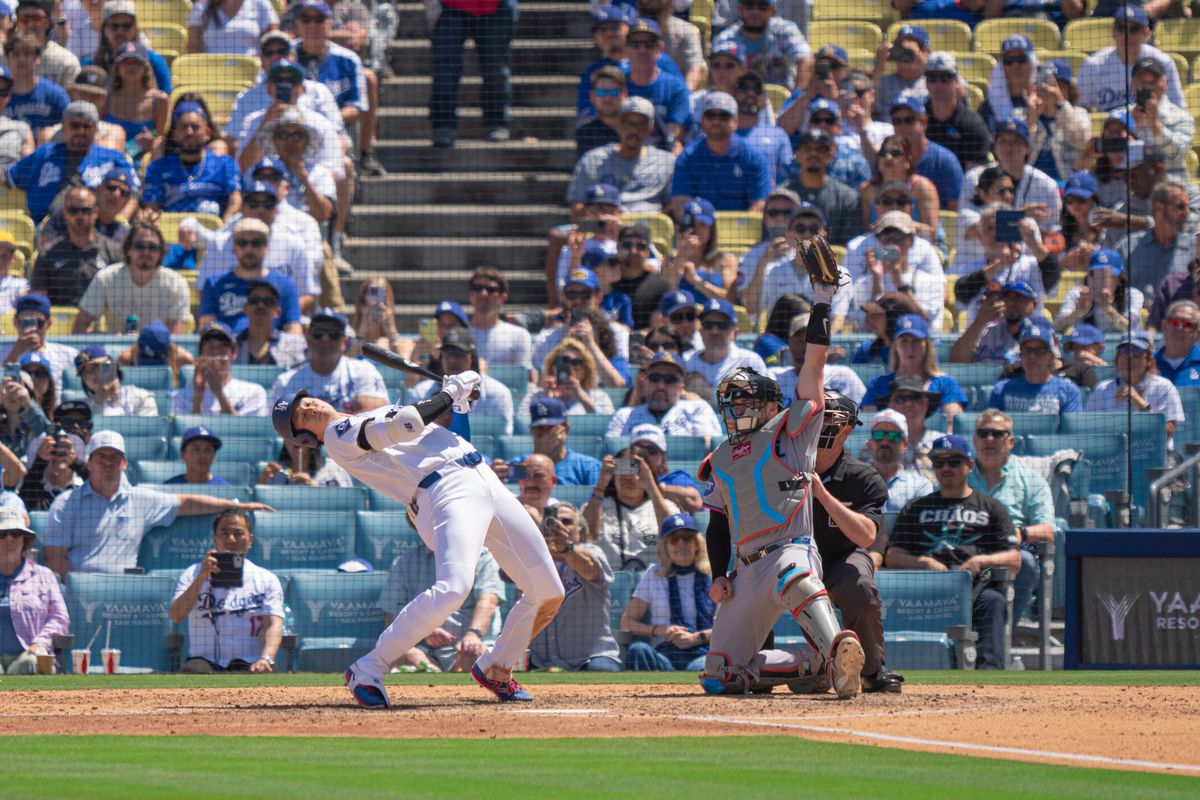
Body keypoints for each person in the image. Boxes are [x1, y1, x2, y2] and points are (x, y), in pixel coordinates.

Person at [272, 373, 565, 707]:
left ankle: (496, 668)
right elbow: (408, 423)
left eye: (305, 401)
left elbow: (456, 443)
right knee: (454, 587)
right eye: (299, 415)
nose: (307, 406)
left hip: (482, 478)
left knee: (548, 591)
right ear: (305, 439)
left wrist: (460, 406)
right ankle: (368, 668)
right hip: (443, 491)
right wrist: (449, 390)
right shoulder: (340, 434)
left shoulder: (372, 413)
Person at [697, 237, 865, 698]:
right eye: (732, 403)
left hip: (791, 550)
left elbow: (814, 363)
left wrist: (823, 301)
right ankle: (811, 665)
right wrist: (718, 574)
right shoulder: (721, 457)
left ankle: (836, 651)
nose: (738, 411)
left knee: (795, 574)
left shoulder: (791, 432)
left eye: (748, 401)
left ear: (772, 404)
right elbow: (715, 522)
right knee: (719, 678)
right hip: (745, 569)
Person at [43, 431, 273, 578]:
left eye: (114, 458)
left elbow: (187, 503)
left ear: (124, 464)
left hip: (125, 591)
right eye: (101, 457)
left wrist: (236, 505)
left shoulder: (140, 499)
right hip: (77, 591)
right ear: (90, 463)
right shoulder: (65, 504)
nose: (108, 463)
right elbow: (55, 559)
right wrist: (82, 590)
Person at [796, 391, 903, 691]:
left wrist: (821, 493)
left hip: (842, 556)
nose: (818, 429)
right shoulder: (782, 467)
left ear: (846, 429)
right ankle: (756, 669)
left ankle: (870, 672)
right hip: (793, 555)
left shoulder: (862, 477)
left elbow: (867, 535)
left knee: (858, 586)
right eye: (814, 422)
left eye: (828, 422)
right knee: (754, 587)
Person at [887, 434, 1021, 669]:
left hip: (975, 590)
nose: (946, 467)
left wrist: (981, 560)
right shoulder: (916, 508)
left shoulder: (991, 508)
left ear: (969, 465)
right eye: (939, 462)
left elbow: (1014, 559)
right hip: (924, 592)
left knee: (994, 601)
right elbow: (892, 556)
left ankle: (990, 678)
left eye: (954, 462)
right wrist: (924, 563)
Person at [967, 409, 1055, 628]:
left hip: (1009, 551)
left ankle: (1002, 635)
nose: (989, 439)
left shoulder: (1030, 479)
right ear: (974, 440)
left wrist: (1020, 533)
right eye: (983, 433)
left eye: (997, 434)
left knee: (1024, 561)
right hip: (965, 547)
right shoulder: (958, 474)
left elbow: (1048, 530)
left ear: (1011, 441)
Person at [169, 509, 284, 673]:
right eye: (224, 533)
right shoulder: (192, 574)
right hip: (204, 661)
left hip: (249, 662)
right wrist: (202, 576)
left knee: (266, 675)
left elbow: (273, 624)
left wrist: (266, 658)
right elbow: (176, 615)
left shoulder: (266, 579)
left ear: (250, 540)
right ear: (215, 539)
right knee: (192, 672)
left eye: (238, 533)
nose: (231, 539)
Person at [378, 524, 503, 673]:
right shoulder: (405, 562)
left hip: (473, 645)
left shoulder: (482, 556)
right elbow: (392, 616)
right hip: (424, 649)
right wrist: (424, 631)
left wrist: (473, 635)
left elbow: (488, 600)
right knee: (403, 654)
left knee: (477, 657)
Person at [528, 502, 621, 672]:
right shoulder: (535, 558)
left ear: (581, 530)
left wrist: (565, 547)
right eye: (552, 522)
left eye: (567, 522)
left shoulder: (592, 551)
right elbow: (506, 574)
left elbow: (589, 567)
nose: (559, 527)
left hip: (591, 658)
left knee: (600, 671)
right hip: (540, 661)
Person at [7, 99, 132, 223]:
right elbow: (9, 176)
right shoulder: (44, 154)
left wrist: (121, 220)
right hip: (44, 226)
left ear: (95, 128)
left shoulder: (113, 158)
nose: (81, 131)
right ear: (64, 126)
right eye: (75, 126)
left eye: (87, 126)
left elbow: (134, 193)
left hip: (95, 229)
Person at [621, 513, 713, 672]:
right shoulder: (654, 574)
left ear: (697, 543)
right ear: (666, 546)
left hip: (704, 651)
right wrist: (658, 630)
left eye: (687, 537)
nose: (681, 544)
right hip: (664, 653)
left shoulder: (714, 574)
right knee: (638, 650)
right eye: (674, 539)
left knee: (697, 668)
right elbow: (627, 622)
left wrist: (697, 638)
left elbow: (730, 625)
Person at [835, 211, 946, 333]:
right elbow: (868, 327)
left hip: (917, 345)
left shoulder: (931, 283)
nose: (893, 243)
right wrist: (877, 280)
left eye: (899, 238)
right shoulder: (863, 284)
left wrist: (898, 279)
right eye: (886, 237)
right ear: (878, 241)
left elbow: (924, 321)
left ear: (912, 240)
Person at [73, 220, 190, 333]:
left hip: (159, 351)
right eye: (139, 246)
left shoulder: (176, 284)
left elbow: (174, 339)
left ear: (161, 252)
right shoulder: (106, 278)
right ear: (128, 249)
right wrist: (111, 339)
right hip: (115, 350)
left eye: (152, 247)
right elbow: (79, 329)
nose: (146, 252)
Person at [427, 0, 516, 147]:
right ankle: (443, 126)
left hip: (496, 5)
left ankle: (497, 122)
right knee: (445, 69)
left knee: (495, 68)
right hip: (449, 6)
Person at [269, 307, 388, 413]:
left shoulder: (363, 370)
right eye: (318, 333)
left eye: (334, 334)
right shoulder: (286, 381)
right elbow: (285, 431)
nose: (325, 338)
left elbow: (373, 415)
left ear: (345, 341)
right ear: (308, 338)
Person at [669, 92, 770, 216]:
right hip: (700, 229)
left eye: (723, 116)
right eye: (710, 116)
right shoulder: (687, 158)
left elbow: (759, 206)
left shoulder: (753, 158)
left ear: (736, 121)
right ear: (702, 120)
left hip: (741, 231)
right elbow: (681, 205)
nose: (716, 121)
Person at [197, 217, 303, 334]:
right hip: (228, 347)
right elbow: (207, 325)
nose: (249, 249)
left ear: (266, 247)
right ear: (234, 246)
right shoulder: (214, 283)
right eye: (243, 243)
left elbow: (293, 327)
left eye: (256, 243)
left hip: (272, 347)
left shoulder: (285, 284)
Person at [140, 101, 241, 220]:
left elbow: (235, 198)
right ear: (175, 134)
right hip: (171, 234)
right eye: (183, 127)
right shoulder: (157, 168)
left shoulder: (225, 164)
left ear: (207, 133)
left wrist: (225, 226)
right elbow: (152, 206)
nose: (189, 132)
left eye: (195, 127)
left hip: (214, 233)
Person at [584, 445, 678, 572]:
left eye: (634, 468)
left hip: (655, 582)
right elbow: (585, 535)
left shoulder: (665, 506)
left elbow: (675, 534)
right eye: (622, 468)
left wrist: (650, 486)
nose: (627, 476)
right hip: (609, 584)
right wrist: (601, 483)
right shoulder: (598, 506)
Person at [1076, 6, 1186, 114]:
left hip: (1150, 128)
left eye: (1134, 29)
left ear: (1146, 33)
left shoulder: (1163, 62)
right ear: (1113, 32)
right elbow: (1081, 109)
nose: (1126, 35)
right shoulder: (1093, 64)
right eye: (1121, 28)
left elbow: (1178, 108)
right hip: (1111, 130)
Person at [0, 508, 68, 674]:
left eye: (15, 533)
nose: (9, 539)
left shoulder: (44, 576)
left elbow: (59, 619)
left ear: (24, 540)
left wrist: (40, 644)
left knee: (30, 663)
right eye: (2, 534)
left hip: (30, 656)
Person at [1087, 329, 1184, 444]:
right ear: (1117, 359)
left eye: (1136, 352)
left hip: (1154, 454)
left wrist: (1141, 405)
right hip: (1115, 456)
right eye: (1123, 352)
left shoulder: (1164, 387)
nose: (1129, 357)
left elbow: (1167, 434)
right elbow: (1088, 431)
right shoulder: (1102, 389)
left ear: (1148, 360)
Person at [861, 314, 965, 421]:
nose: (910, 348)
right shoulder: (878, 384)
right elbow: (869, 426)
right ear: (895, 346)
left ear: (927, 345)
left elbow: (952, 425)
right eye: (904, 341)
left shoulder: (946, 384)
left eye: (916, 341)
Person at [410, 328, 514, 435]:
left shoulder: (498, 393)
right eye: (448, 353)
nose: (452, 360)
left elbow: (503, 439)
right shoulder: (422, 391)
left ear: (471, 357)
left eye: (459, 353)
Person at [31, 184, 121, 306]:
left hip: (101, 322)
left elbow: (120, 299)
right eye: (73, 210)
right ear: (65, 213)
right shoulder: (48, 254)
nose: (79, 216)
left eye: (86, 210)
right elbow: (39, 303)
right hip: (59, 323)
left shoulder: (114, 252)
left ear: (95, 212)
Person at [605, 350, 723, 440]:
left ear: (681, 386)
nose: (660, 386)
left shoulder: (698, 410)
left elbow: (706, 452)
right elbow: (613, 458)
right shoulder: (624, 417)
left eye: (670, 380)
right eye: (654, 378)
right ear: (645, 382)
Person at [172, 321, 268, 417]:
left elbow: (243, 431)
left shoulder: (253, 392)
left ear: (233, 353)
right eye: (210, 347)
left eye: (222, 347)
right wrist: (198, 397)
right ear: (201, 353)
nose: (216, 352)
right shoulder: (181, 396)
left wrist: (219, 392)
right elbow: (188, 430)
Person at [784, 129, 862, 246]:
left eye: (820, 150)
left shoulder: (847, 197)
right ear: (797, 154)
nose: (813, 154)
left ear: (830, 155)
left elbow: (851, 244)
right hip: (789, 260)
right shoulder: (782, 196)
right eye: (807, 149)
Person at [769, 313, 867, 406]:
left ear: (825, 345)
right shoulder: (774, 378)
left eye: (811, 342)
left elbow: (863, 415)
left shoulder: (844, 377)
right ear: (790, 343)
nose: (805, 348)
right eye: (800, 341)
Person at [987, 321, 1082, 415]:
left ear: (1051, 356)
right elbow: (992, 427)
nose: (1032, 356)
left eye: (1039, 351)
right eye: (1027, 350)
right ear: (1021, 356)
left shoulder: (1069, 391)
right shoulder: (1002, 389)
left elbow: (1071, 430)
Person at [860, 134, 941, 243]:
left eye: (895, 153)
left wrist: (897, 224)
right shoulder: (868, 189)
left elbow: (932, 234)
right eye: (883, 153)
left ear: (908, 160)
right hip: (881, 249)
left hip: (922, 248)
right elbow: (866, 232)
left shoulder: (922, 187)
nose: (888, 157)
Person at [712, 0, 810, 90]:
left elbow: (806, 60)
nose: (755, 12)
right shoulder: (727, 38)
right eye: (749, 6)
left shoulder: (785, 30)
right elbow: (716, 73)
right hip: (742, 100)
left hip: (782, 99)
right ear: (740, 10)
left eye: (762, 7)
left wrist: (796, 96)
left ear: (773, 10)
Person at [623, 18, 690, 147]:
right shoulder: (619, 85)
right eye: (635, 44)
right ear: (627, 49)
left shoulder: (676, 87)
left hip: (661, 156)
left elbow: (674, 138)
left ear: (660, 49)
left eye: (649, 44)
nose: (642, 50)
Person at [889, 96, 962, 213]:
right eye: (897, 121)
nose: (902, 127)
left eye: (909, 120)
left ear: (924, 122)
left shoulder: (945, 160)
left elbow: (955, 210)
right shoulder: (888, 158)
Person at [1126, 180, 1195, 302]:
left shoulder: (1195, 249)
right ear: (1158, 208)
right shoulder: (1128, 247)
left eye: (1188, 207)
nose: (1187, 212)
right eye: (1180, 206)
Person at [683, 297, 767, 396]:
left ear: (735, 333)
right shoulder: (686, 362)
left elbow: (764, 402)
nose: (715, 331)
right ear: (701, 331)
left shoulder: (750, 361)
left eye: (722, 325)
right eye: (708, 325)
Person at [661, 197, 739, 303]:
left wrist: (696, 281)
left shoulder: (726, 260)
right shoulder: (669, 261)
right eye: (691, 225)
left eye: (702, 225)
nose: (696, 230)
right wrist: (681, 257)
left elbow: (729, 300)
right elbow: (666, 296)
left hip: (714, 317)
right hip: (682, 318)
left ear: (711, 229)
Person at [84, 0, 172, 93]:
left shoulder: (154, 61)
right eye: (114, 26)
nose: (120, 31)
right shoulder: (90, 64)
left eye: (126, 26)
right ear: (104, 29)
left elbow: (167, 100)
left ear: (135, 28)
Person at [0, 293, 78, 396]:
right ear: (15, 322)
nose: (33, 329)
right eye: (26, 322)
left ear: (48, 323)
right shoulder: (2, 352)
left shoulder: (68, 354)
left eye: (39, 322)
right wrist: (16, 352)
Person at [922, 52, 989, 171]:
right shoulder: (917, 119)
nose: (938, 85)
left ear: (957, 82)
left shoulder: (972, 123)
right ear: (926, 83)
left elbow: (974, 176)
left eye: (945, 78)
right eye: (932, 79)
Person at [101, 41, 165, 162]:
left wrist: (152, 137)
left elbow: (160, 136)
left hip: (144, 164)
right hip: (109, 163)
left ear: (145, 66)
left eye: (136, 62)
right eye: (126, 62)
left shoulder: (159, 100)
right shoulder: (105, 98)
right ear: (117, 67)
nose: (131, 67)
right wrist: (133, 145)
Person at [1054, 248, 1142, 335]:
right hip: (1087, 346)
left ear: (1119, 278)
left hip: (1123, 347)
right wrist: (1078, 312)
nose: (1100, 280)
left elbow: (1131, 327)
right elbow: (1056, 327)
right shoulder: (1076, 294)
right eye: (1095, 274)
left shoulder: (1133, 295)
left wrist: (1107, 309)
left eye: (1107, 275)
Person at [522, 336, 615, 419]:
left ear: (586, 369)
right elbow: (525, 427)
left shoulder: (599, 397)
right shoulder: (534, 397)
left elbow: (605, 426)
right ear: (552, 367)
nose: (570, 368)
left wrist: (582, 397)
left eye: (576, 363)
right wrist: (547, 401)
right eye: (563, 362)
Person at [951, 280, 1039, 365]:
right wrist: (980, 320)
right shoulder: (985, 331)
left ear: (1034, 305)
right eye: (1007, 298)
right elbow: (956, 361)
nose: (1011, 303)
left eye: (1019, 298)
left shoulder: (1040, 335)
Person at [465, 265, 533, 374]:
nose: (483, 294)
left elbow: (522, 384)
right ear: (470, 294)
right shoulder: (456, 334)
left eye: (491, 290)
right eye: (477, 288)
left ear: (503, 297)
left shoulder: (519, 335)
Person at [868, 408, 932, 514]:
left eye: (893, 436)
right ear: (870, 442)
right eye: (878, 435)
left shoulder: (920, 486)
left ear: (905, 444)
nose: (884, 442)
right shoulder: (853, 482)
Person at [629, 423, 703, 514]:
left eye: (652, 450)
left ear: (663, 455)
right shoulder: (621, 478)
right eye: (639, 450)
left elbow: (696, 502)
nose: (645, 455)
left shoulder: (675, 478)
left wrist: (653, 487)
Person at [4, 32, 67, 138]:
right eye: (16, 54)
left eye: (27, 54)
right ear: (8, 60)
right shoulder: (2, 94)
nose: (21, 59)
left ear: (37, 58)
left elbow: (68, 127)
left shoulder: (55, 95)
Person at [5, 0, 80, 88]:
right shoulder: (2, 56)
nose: (31, 24)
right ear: (17, 22)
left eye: (37, 19)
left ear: (48, 23)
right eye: (25, 19)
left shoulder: (66, 61)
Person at [232, 280, 307, 367]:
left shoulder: (295, 344)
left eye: (268, 301)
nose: (260, 305)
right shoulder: (230, 344)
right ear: (245, 308)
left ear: (278, 312)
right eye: (254, 300)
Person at [872, 24, 928, 120]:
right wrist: (878, 67)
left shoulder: (937, 81)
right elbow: (869, 103)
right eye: (901, 49)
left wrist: (920, 59)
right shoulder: (884, 82)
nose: (906, 54)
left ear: (926, 52)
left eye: (910, 51)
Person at [187, 0, 279, 55]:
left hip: (251, 75)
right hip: (210, 77)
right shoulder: (201, 6)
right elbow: (193, 47)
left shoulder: (260, 3)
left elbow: (273, 44)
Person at [165, 426, 232, 486]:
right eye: (196, 449)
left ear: (214, 456)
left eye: (208, 450)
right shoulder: (170, 487)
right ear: (183, 455)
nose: (202, 455)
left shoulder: (225, 488)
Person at [1155, 300, 1200, 388]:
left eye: (1187, 324)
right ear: (1164, 325)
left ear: (1197, 333)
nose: (1179, 327)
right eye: (1174, 322)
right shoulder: (1147, 364)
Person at [514, 453, 558, 520]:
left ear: (553, 481)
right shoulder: (506, 507)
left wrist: (540, 524)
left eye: (538, 476)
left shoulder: (561, 513)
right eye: (525, 476)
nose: (530, 483)